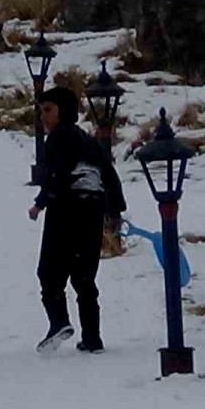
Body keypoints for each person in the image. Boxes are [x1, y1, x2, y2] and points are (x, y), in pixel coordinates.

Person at [28, 86, 127, 354]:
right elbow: (110, 176)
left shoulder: (59, 138)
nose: (43, 117)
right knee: (84, 276)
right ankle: (92, 338)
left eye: (48, 110)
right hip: (92, 211)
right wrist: (115, 212)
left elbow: (56, 174)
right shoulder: (90, 142)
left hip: (66, 209)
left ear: (64, 111)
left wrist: (41, 202)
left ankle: (59, 321)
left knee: (49, 272)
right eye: (41, 111)